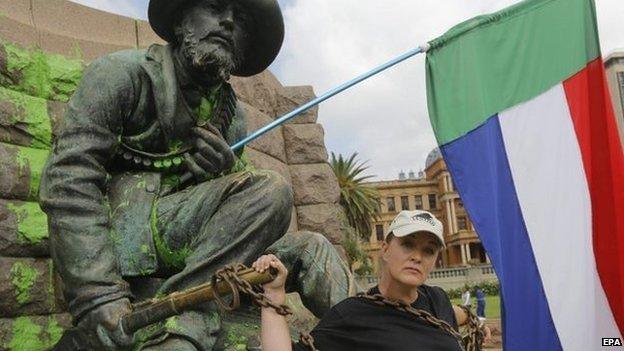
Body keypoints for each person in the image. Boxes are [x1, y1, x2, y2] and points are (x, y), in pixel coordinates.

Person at [39, 0, 355, 349]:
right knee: (274, 190)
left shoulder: (229, 113)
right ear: (180, 22)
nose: (228, 22)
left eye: (242, 20)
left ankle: (379, 329)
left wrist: (227, 169)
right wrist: (98, 295)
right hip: (133, 239)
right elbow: (69, 181)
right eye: (215, 7)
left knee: (313, 249)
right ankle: (179, 321)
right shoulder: (122, 76)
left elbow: (237, 218)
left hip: (194, 252)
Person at [255, 210, 490, 351]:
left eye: (428, 251)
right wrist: (274, 295)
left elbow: (450, 316)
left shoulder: (435, 298)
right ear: (385, 249)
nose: (417, 257)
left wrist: (475, 321)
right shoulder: (351, 315)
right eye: (408, 244)